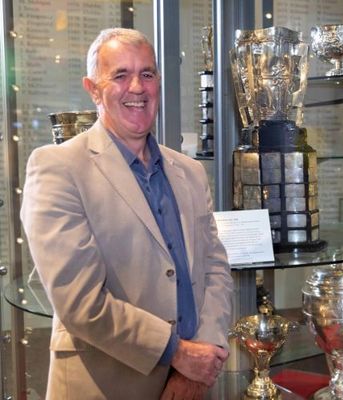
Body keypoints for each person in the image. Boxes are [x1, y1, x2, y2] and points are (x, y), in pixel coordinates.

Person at [20, 28, 233, 399]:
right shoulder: (57, 167)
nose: (137, 87)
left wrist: (201, 364)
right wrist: (179, 354)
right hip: (104, 385)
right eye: (120, 75)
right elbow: (81, 303)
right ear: (93, 89)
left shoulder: (190, 171)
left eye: (147, 74)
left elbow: (215, 267)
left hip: (193, 384)